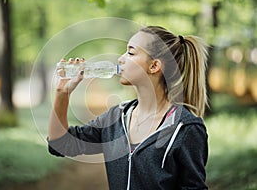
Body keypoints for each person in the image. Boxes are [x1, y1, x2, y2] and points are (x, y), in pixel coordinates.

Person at [47, 26, 209, 190]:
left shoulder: (185, 128)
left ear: (153, 66)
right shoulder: (116, 118)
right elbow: (60, 145)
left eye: (130, 53)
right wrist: (62, 94)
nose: (120, 59)